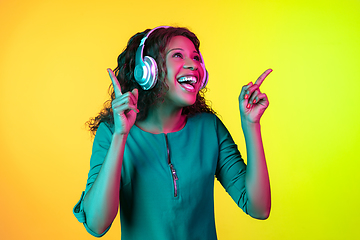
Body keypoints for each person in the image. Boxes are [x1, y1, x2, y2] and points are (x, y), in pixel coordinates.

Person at [73, 26, 271, 240]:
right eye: (178, 55)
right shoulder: (112, 133)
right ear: (148, 70)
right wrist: (120, 136)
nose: (193, 64)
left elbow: (258, 208)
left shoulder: (209, 128)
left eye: (196, 57)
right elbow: (96, 224)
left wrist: (251, 124)